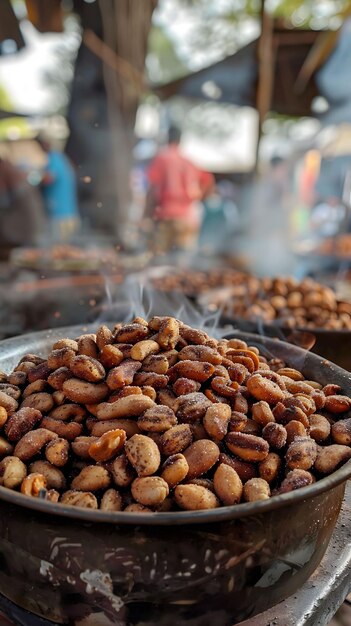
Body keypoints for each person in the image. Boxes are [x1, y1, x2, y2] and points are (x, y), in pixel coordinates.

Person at [145, 126, 214, 255]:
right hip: (187, 218)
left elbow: (152, 188)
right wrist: (200, 197)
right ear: (180, 140)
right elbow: (208, 180)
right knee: (183, 264)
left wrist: (146, 214)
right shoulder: (189, 161)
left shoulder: (162, 159)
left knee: (160, 261)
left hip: (165, 216)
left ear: (167, 138)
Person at [0, 157, 46, 259]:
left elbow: (3, 201)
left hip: (20, 232)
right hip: (31, 227)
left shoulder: (4, 169)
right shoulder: (11, 168)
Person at [38, 136, 80, 241]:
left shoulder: (54, 159)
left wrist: (33, 177)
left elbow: (49, 178)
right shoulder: (62, 158)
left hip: (60, 215)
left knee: (59, 250)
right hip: (68, 214)